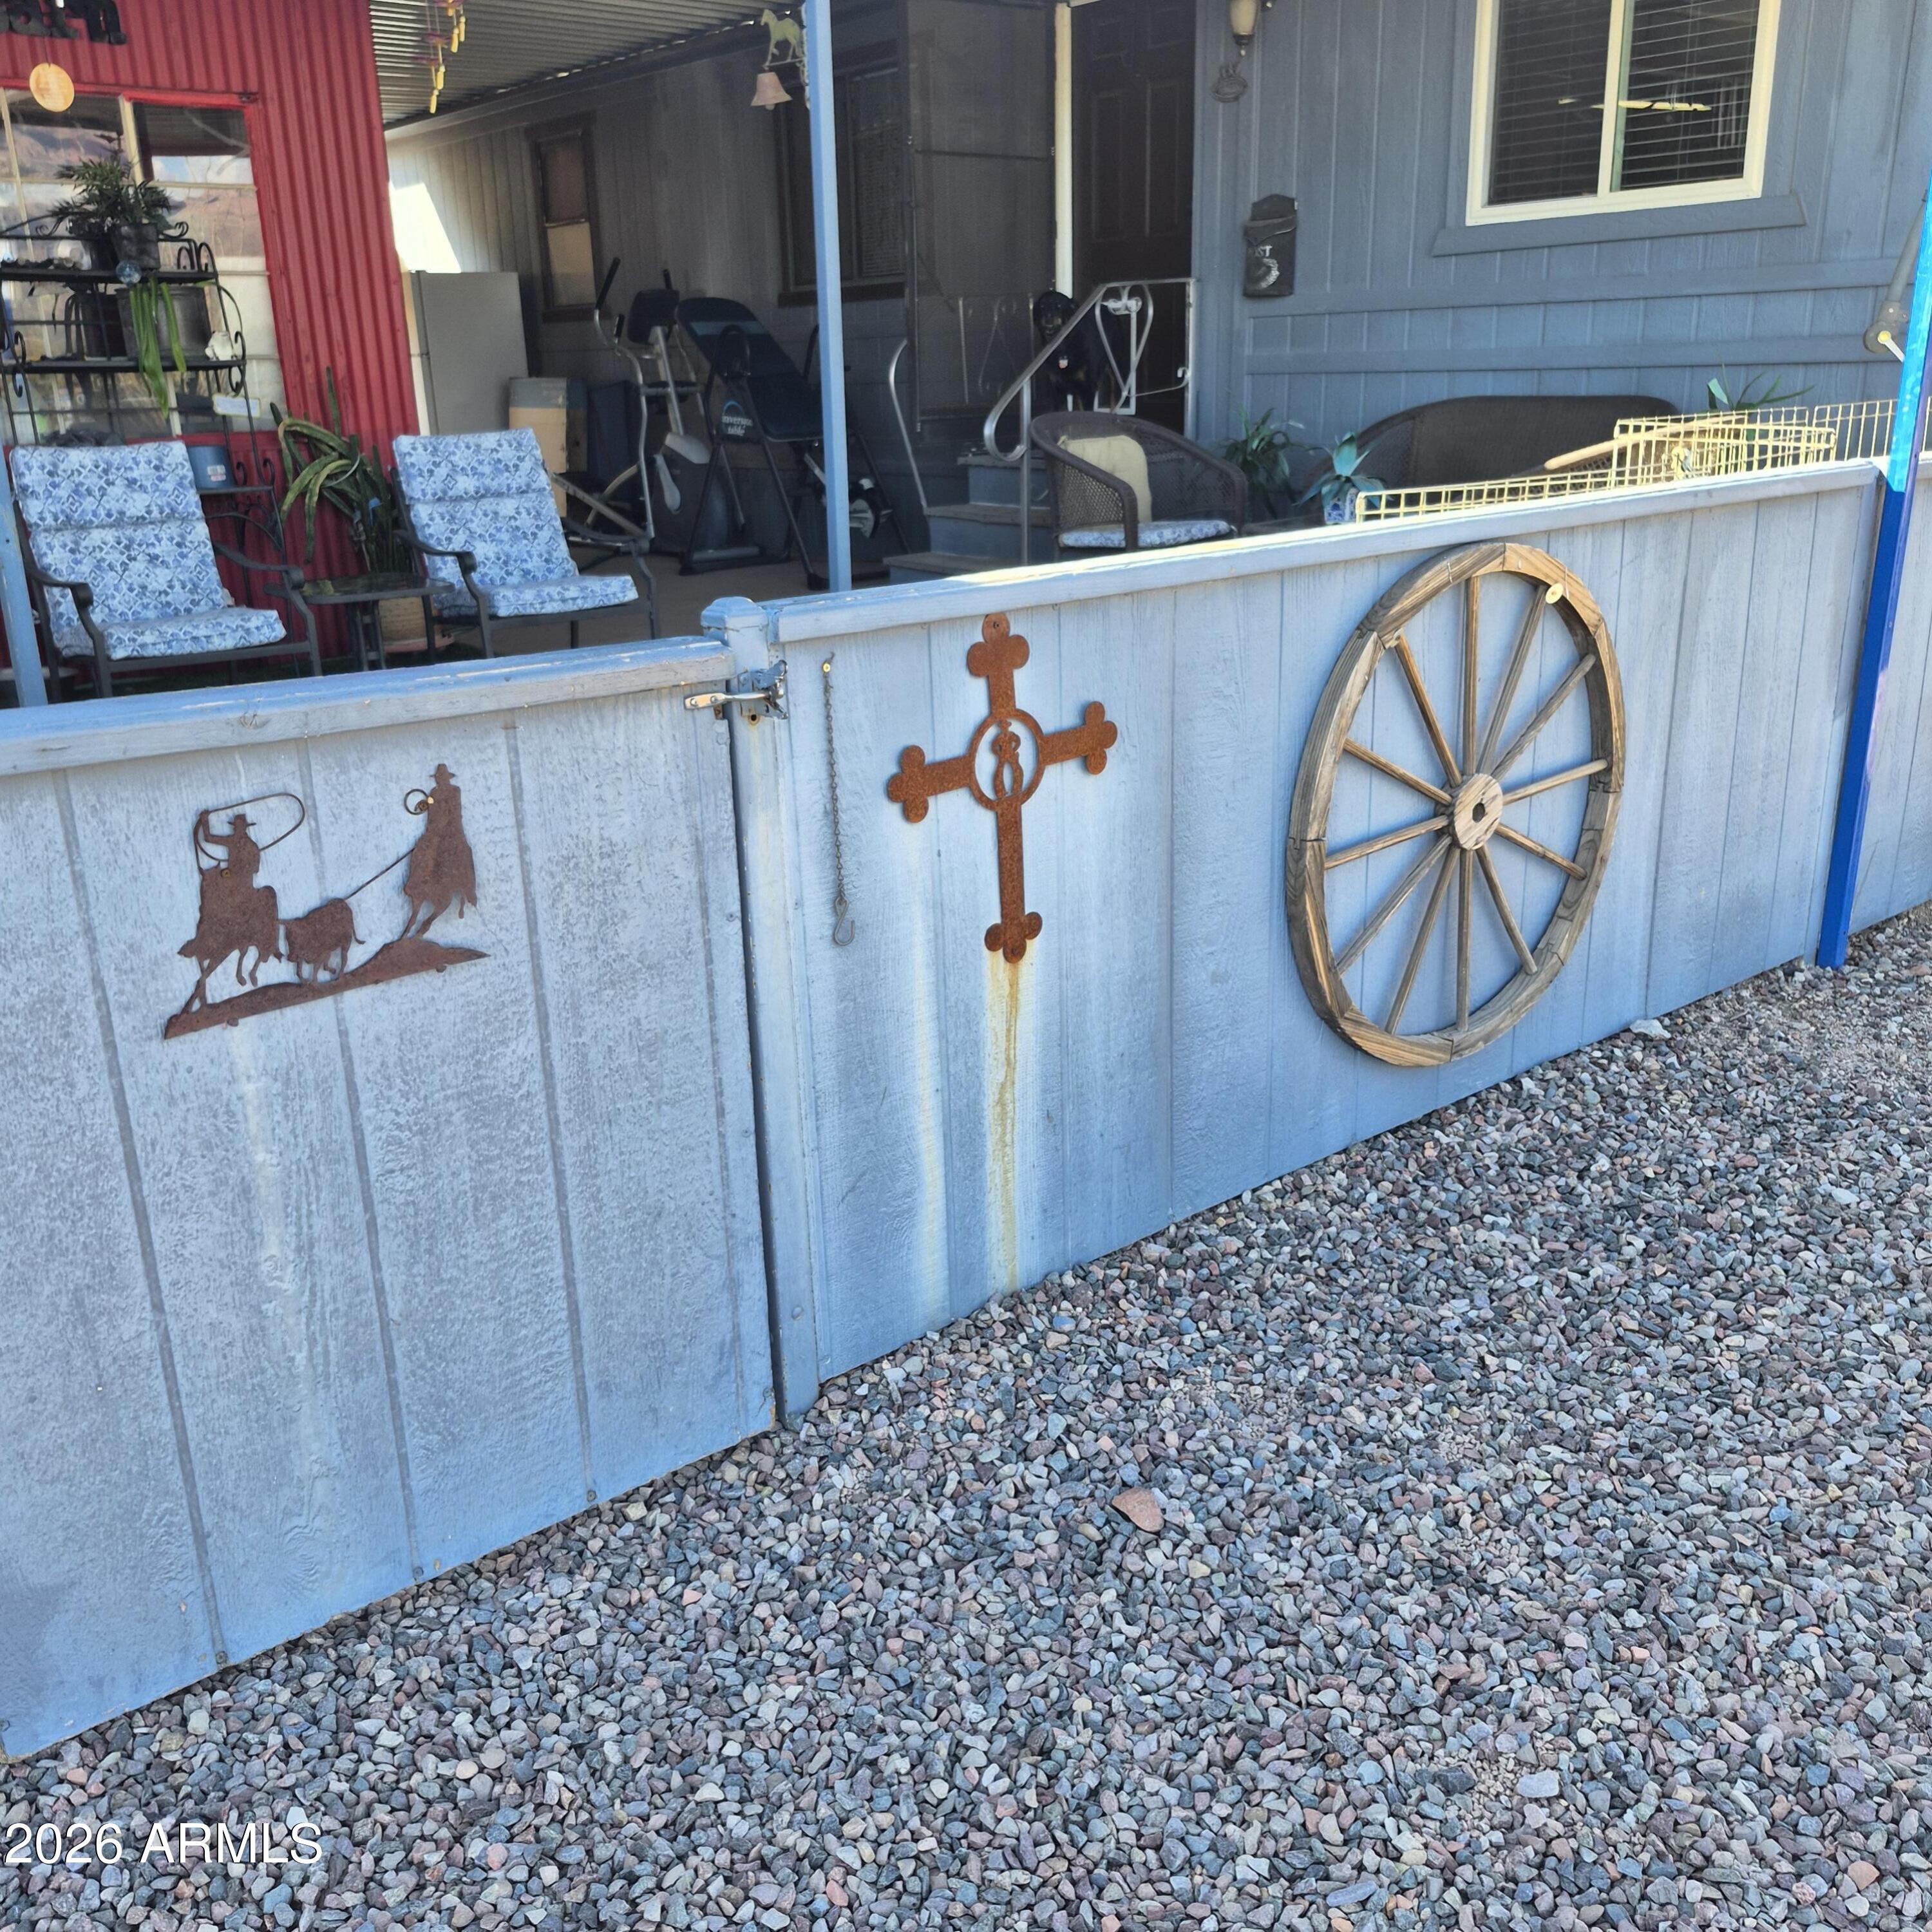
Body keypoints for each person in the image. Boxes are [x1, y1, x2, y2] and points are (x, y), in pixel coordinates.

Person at [401, 764, 478, 938]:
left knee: (464, 852)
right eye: (437, 777)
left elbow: (454, 812)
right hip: (435, 830)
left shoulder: (455, 791)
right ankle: (418, 881)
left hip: (452, 830)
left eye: (441, 777)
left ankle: (469, 889)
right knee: (423, 848)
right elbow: (431, 808)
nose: (438, 780)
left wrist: (444, 822)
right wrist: (425, 807)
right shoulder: (433, 794)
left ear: (447, 778)